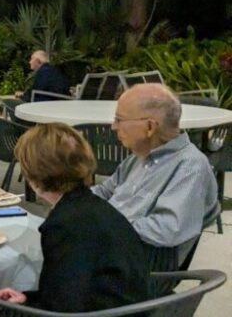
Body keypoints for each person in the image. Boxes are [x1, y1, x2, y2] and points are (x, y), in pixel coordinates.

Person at [0, 123, 148, 317]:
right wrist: (28, 298)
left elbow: (62, 307)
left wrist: (25, 305)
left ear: (35, 174)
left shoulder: (65, 224)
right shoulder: (96, 208)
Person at [92, 84, 218, 251]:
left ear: (150, 127)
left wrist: (99, 224)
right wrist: (70, 202)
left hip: (126, 262)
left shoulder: (189, 167)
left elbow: (166, 230)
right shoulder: (138, 157)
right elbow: (105, 191)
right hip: (101, 246)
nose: (114, 127)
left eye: (119, 120)